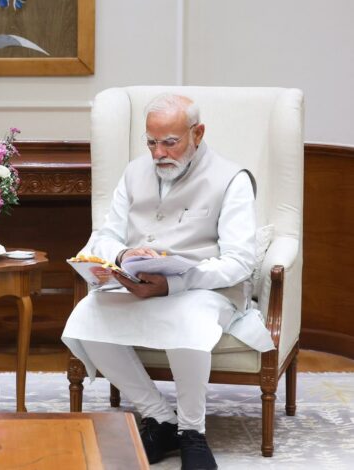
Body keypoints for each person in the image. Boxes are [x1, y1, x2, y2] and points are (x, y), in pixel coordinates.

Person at [62, 94, 274, 470]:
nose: (158, 153)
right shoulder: (134, 173)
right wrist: (123, 256)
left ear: (198, 133)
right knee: (86, 316)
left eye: (170, 142)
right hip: (138, 284)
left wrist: (175, 283)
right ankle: (160, 418)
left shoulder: (232, 179)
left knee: (188, 321)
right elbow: (105, 236)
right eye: (151, 142)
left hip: (206, 289)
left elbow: (239, 262)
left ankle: (192, 432)